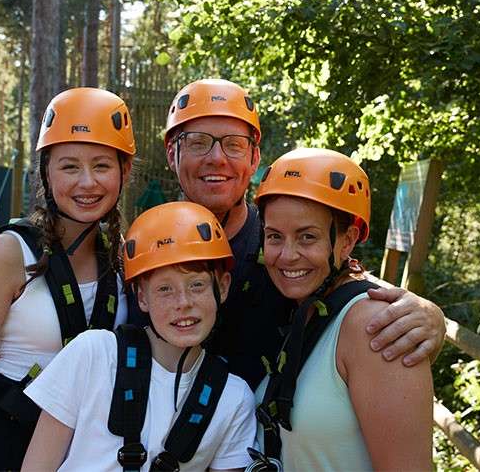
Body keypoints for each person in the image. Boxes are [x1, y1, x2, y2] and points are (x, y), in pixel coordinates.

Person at [162, 79, 446, 389]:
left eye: (234, 144)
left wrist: (429, 315)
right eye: (198, 142)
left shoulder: (282, 247)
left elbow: (345, 284)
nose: (216, 158)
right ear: (171, 153)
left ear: (254, 159)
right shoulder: (144, 249)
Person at [0, 88, 135, 471]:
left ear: (124, 172)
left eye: (102, 165)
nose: (87, 182)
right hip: (1, 447)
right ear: (46, 172)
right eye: (69, 166)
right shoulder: (8, 254)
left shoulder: (124, 260)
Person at [22, 202, 256, 472]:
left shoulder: (233, 399)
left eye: (197, 285)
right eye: (165, 289)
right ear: (142, 297)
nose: (183, 303)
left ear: (223, 286)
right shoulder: (94, 355)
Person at [254, 148, 432, 470]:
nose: (287, 255)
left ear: (347, 240)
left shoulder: (375, 328)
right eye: (274, 236)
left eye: (307, 237)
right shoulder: (303, 311)